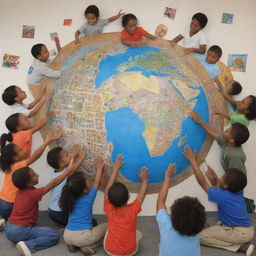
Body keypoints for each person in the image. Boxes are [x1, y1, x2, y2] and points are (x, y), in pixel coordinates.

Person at [4, 148, 83, 256]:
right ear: (28, 183)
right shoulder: (33, 194)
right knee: (53, 236)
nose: (37, 174)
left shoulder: (20, 191)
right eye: (34, 175)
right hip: (20, 230)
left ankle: (21, 239)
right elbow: (54, 183)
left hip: (8, 229)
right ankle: (29, 245)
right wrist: (69, 170)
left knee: (41, 231)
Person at [184, 146, 255, 256]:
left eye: (223, 176)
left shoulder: (223, 196)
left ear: (226, 185)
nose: (220, 176)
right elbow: (215, 180)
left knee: (198, 238)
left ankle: (239, 247)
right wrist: (203, 163)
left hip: (238, 233)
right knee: (210, 232)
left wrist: (192, 161)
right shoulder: (237, 190)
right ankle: (230, 237)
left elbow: (203, 182)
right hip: (245, 230)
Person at [0, 129, 63, 230]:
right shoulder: (17, 166)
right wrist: (47, 141)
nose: (23, 150)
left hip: (2, 201)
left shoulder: (7, 166)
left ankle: (3, 220)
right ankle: (8, 225)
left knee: (9, 219)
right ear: (15, 157)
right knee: (17, 221)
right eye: (20, 150)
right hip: (11, 202)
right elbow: (35, 156)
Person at [60, 156, 107, 255]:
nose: (90, 180)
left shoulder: (69, 198)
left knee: (90, 227)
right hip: (83, 237)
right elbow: (97, 182)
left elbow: (95, 182)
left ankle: (72, 245)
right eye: (88, 180)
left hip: (67, 235)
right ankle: (88, 246)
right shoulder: (88, 198)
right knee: (107, 226)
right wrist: (99, 168)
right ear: (85, 189)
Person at [156, 163, 206, 256]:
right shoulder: (195, 232)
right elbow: (161, 203)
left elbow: (160, 202)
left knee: (161, 242)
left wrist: (167, 177)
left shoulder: (166, 226)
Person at [103, 155, 148, 256]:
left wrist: (115, 169)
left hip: (110, 251)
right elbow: (142, 194)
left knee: (108, 230)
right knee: (138, 234)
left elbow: (107, 190)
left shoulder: (108, 208)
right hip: (130, 252)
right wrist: (144, 180)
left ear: (109, 200)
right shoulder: (132, 210)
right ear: (128, 197)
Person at [47, 145, 93, 226]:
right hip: (59, 213)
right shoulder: (64, 175)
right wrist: (81, 157)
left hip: (51, 211)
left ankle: (63, 223)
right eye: (67, 156)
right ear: (61, 163)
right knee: (91, 222)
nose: (70, 156)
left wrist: (74, 155)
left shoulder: (57, 172)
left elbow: (70, 166)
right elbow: (73, 168)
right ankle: (67, 224)